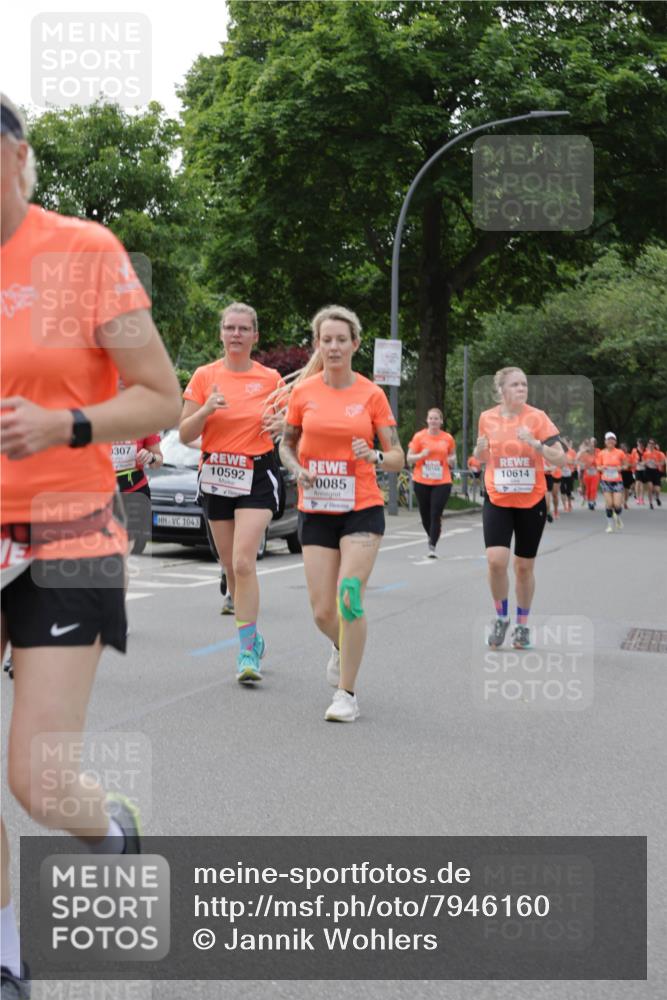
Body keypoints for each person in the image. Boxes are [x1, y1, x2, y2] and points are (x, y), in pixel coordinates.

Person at [0, 93, 181, 998]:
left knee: (36, 780)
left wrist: (65, 424)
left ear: (18, 157)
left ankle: (109, 834)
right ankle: (6, 953)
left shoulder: (84, 252)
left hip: (67, 533)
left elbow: (161, 396)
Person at [280, 305, 404, 722]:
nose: (333, 347)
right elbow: (286, 444)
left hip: (361, 507)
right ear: (318, 345)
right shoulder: (303, 393)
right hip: (316, 507)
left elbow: (398, 456)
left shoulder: (371, 395)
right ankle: (340, 644)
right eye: (326, 340)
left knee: (349, 596)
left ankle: (346, 694)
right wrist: (296, 468)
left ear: (355, 344)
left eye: (341, 340)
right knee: (322, 611)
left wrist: (374, 455)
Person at [179, 303, 285, 684]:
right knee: (230, 566)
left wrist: (282, 424)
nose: (236, 334)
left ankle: (245, 653)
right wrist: (206, 409)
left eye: (243, 328)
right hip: (217, 474)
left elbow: (290, 426)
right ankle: (253, 638)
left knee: (243, 562)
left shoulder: (271, 379)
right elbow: (185, 433)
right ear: (221, 333)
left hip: (256, 474)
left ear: (255, 336)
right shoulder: (204, 376)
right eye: (230, 327)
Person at [473, 366, 565, 650]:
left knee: (524, 567)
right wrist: (478, 450)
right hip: (498, 497)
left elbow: (560, 458)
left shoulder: (538, 417)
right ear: (501, 390)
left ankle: (522, 626)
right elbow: (482, 456)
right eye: (515, 385)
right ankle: (502, 618)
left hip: (531, 500)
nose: (522, 388)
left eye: (524, 384)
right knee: (495, 560)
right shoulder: (487, 418)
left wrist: (537, 445)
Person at [407, 408, 456, 557]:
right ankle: (432, 534)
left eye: (436, 418)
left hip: (442, 481)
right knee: (425, 514)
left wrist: (451, 461)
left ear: (441, 421)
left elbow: (453, 457)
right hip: (421, 480)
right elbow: (409, 458)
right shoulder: (419, 437)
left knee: (435, 513)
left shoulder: (447, 438)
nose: (433, 421)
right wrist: (421, 455)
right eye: (431, 418)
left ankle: (432, 545)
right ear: (427, 420)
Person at [113, 428, 164, 554]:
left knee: (134, 543)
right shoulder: (99, 419)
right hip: (104, 490)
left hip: (135, 489)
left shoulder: (143, 422)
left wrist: (151, 457)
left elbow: (158, 461)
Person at [597, 432, 627, 530]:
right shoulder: (601, 453)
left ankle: (618, 518)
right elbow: (598, 467)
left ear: (615, 441)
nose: (610, 441)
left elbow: (626, 465)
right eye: (608, 439)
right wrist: (602, 468)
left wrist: (620, 468)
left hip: (617, 481)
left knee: (617, 504)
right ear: (605, 441)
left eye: (612, 439)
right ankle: (610, 525)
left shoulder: (620, 452)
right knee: (609, 504)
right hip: (606, 480)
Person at [578, 438, 600, 510]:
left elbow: (601, 460)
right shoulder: (585, 452)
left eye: (593, 442)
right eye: (590, 443)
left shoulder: (598, 451)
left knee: (593, 488)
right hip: (586, 473)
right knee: (588, 488)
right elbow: (578, 460)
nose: (592, 444)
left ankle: (592, 501)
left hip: (595, 473)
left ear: (595, 443)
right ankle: (589, 500)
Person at [643, 438, 663, 510]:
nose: (651, 445)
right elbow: (643, 462)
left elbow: (662, 462)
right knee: (650, 487)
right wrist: (646, 462)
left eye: (652, 443)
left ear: (654, 445)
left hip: (656, 471)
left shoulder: (658, 453)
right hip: (648, 471)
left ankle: (657, 498)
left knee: (657, 490)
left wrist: (657, 463)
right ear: (648, 444)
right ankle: (650, 503)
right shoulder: (645, 453)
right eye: (650, 443)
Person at [559, 437, 576, 513]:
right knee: (562, 490)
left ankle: (569, 504)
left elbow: (574, 462)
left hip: (569, 472)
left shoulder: (572, 451)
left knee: (568, 490)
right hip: (560, 473)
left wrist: (567, 462)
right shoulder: (558, 451)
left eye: (564, 442)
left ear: (567, 443)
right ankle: (564, 506)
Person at [619, 441, 634, 510]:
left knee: (626, 489)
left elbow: (633, 464)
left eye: (625, 448)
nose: (623, 449)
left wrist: (628, 465)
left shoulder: (630, 456)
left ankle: (625, 502)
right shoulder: (619, 456)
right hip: (621, 473)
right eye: (622, 448)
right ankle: (623, 502)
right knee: (621, 488)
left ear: (627, 448)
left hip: (628, 473)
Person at [631, 438, 647, 505]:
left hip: (644, 469)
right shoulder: (634, 450)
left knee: (642, 484)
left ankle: (642, 499)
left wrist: (644, 462)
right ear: (637, 443)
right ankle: (637, 499)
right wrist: (635, 463)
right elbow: (632, 459)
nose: (640, 444)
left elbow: (647, 459)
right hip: (637, 469)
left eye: (641, 443)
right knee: (637, 483)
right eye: (639, 443)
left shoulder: (645, 450)